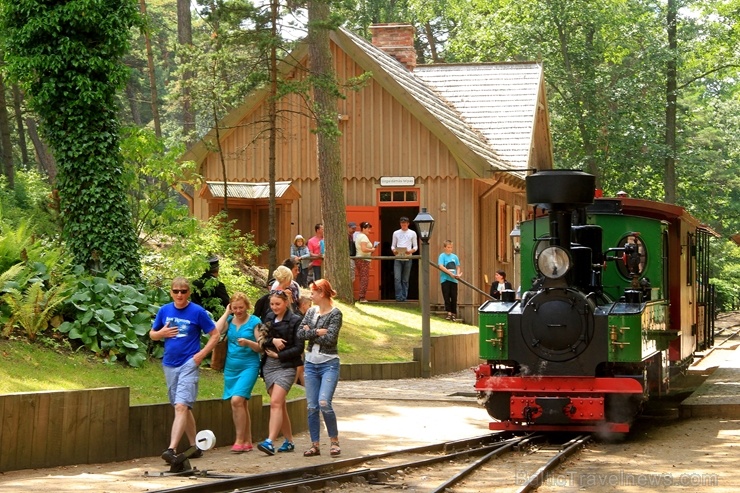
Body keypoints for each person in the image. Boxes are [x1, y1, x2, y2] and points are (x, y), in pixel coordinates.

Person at [150, 277, 219, 465]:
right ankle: (194, 446)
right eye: (175, 291)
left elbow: (215, 334)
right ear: (171, 292)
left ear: (188, 292)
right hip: (169, 364)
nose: (179, 294)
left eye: (183, 291)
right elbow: (152, 334)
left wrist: (201, 354)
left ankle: (171, 449)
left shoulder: (197, 312)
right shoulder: (164, 310)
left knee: (181, 405)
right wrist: (160, 334)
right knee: (181, 406)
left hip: (189, 363)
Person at [298, 279, 343, 457]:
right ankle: (315, 444)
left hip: (328, 363)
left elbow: (331, 339)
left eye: (313, 293)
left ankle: (334, 441)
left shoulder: (335, 314)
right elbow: (300, 334)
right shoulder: (310, 311)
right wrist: (317, 331)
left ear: (321, 294)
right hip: (310, 363)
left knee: (324, 402)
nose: (311, 296)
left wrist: (311, 331)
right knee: (312, 406)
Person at [256, 291, 304, 455]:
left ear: (286, 303)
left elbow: (299, 348)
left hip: (287, 366)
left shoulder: (296, 320)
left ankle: (270, 441)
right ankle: (289, 441)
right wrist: (273, 341)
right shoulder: (269, 317)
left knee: (275, 402)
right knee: (280, 405)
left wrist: (279, 354)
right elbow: (261, 339)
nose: (274, 307)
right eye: (272, 304)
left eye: (278, 304)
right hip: (269, 366)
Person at [217, 292, 262, 453]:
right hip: (231, 367)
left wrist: (249, 342)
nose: (238, 311)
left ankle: (239, 439)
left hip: (249, 366)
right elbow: (215, 332)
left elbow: (261, 347)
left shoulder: (255, 322)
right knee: (241, 403)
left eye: (241, 307)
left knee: (236, 401)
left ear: (247, 306)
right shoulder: (229, 319)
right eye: (235, 308)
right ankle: (247, 441)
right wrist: (226, 313)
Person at [391, 216, 418, 302]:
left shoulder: (412, 233)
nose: (403, 225)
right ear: (400, 224)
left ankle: (404, 297)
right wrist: (393, 250)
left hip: (408, 257)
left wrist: (411, 251)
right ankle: (399, 297)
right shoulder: (396, 233)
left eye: (405, 223)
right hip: (398, 257)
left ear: (408, 224)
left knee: (405, 279)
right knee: (397, 278)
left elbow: (416, 246)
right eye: (402, 223)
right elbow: (393, 245)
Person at [438, 240, 462, 321]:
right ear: (445, 247)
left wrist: (457, 274)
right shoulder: (442, 256)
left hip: (454, 280)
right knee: (446, 296)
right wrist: (449, 273)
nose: (450, 249)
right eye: (448, 247)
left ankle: (454, 313)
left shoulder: (455, 257)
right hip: (445, 279)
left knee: (454, 297)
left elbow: (458, 266)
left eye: (451, 247)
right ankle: (448, 313)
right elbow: (441, 266)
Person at [355, 221, 376, 303]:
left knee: (362, 278)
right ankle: (362, 297)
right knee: (364, 278)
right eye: (367, 228)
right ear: (363, 228)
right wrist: (372, 249)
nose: (369, 230)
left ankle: (361, 296)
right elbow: (364, 249)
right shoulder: (363, 237)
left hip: (360, 259)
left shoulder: (359, 236)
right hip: (363, 259)